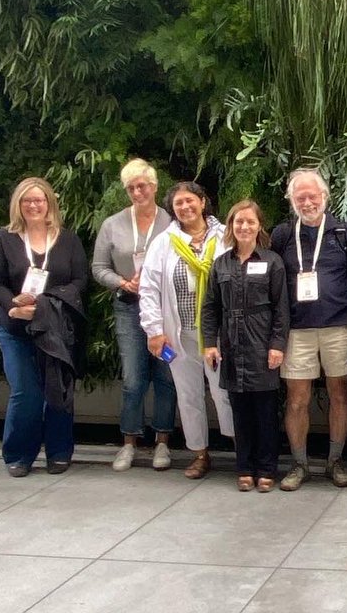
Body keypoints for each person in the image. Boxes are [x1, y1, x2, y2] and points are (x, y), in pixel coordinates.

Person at [0, 177, 89, 476]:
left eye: (39, 200)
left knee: (58, 390)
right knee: (26, 392)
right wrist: (14, 304)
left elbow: (80, 281)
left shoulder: (67, 239)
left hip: (55, 328)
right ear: (18, 204)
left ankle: (58, 451)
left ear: (49, 204)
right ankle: (18, 454)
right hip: (15, 329)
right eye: (27, 200)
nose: (33, 205)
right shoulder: (3, 238)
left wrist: (44, 306)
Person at [270, 168, 347, 490]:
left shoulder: (343, 232)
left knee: (340, 393)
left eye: (313, 196)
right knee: (297, 398)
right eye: (301, 197)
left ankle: (335, 462)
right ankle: (299, 465)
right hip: (296, 329)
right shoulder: (283, 234)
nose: (308, 202)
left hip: (338, 325)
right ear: (292, 201)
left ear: (325, 196)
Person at [140, 181, 234, 478]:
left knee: (225, 393)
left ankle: (242, 450)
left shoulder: (225, 237)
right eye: (178, 203)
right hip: (180, 334)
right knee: (188, 395)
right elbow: (149, 288)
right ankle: (200, 454)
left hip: (219, 334)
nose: (185, 207)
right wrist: (154, 330)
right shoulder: (164, 243)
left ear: (203, 202)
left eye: (190, 200)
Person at [92, 158, 176, 472]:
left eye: (142, 185)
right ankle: (129, 442)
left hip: (166, 310)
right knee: (132, 378)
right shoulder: (112, 224)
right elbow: (99, 268)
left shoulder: (172, 221)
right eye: (131, 187)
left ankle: (163, 443)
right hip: (128, 307)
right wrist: (123, 282)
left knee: (166, 375)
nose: (137, 192)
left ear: (154, 187)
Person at [203, 199, 289, 491]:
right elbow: (210, 307)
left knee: (265, 412)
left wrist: (277, 345)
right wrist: (209, 344)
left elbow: (281, 309)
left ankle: (266, 469)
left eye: (250, 221)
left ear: (259, 226)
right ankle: (244, 468)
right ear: (231, 227)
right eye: (238, 222)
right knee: (238, 410)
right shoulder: (221, 264)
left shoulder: (272, 261)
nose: (244, 226)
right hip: (231, 345)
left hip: (262, 343)